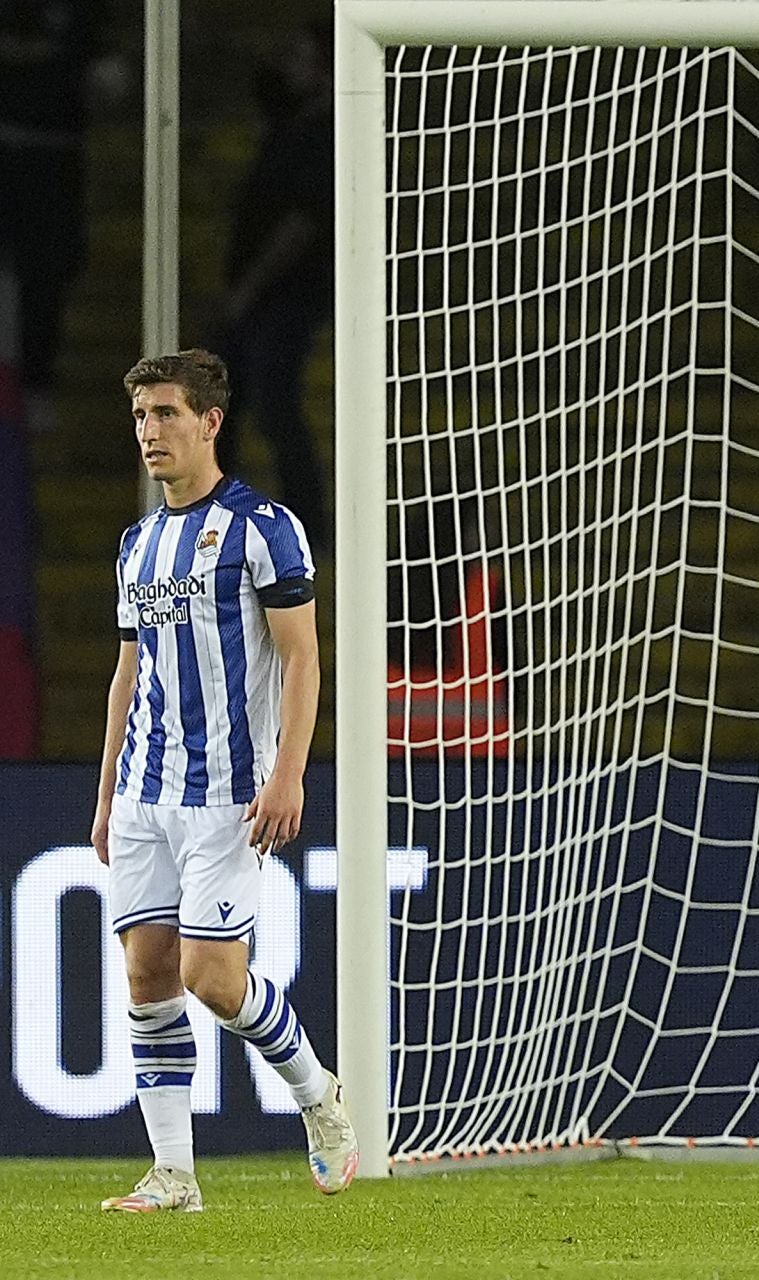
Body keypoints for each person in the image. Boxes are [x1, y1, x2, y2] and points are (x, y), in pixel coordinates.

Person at [92, 349, 357, 1212]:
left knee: (212, 977)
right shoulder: (137, 544)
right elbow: (126, 678)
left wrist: (290, 773)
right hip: (143, 790)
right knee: (147, 976)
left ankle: (317, 1092)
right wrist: (104, 799)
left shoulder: (262, 527)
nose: (149, 432)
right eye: (139, 417)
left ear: (210, 421)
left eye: (165, 413)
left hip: (228, 795)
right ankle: (175, 1174)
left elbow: (301, 657)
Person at [218, 21, 333, 545]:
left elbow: (302, 223)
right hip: (258, 291)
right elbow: (261, 71)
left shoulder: (327, 131)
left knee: (272, 400)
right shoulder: (290, 120)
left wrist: (250, 287)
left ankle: (309, 526)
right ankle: (211, 515)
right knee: (226, 400)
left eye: (301, 56)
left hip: (286, 294)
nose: (290, 65)